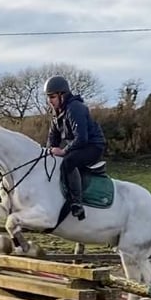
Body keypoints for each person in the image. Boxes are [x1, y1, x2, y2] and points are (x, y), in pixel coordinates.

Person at [43, 75, 106, 220]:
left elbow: (82, 138)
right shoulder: (56, 113)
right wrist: (48, 152)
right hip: (78, 146)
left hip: (93, 146)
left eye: (52, 97)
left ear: (62, 95)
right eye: (48, 97)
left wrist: (64, 151)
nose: (49, 101)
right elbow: (52, 139)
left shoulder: (75, 108)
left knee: (68, 162)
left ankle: (76, 204)